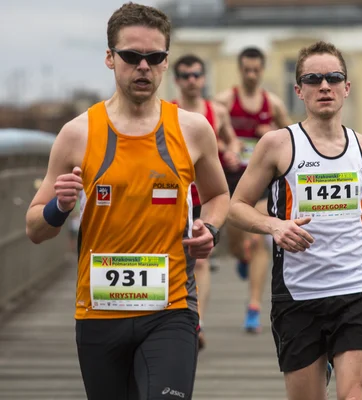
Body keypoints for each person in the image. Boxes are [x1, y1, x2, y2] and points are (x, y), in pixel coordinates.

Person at [24, 3, 229, 400]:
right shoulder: (77, 133)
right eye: (131, 56)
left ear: (166, 61)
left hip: (172, 308)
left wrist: (211, 228)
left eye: (154, 58)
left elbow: (219, 195)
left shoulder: (192, 129)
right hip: (99, 311)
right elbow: (34, 229)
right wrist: (59, 207)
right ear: (109, 58)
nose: (143, 67)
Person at [228, 41, 362, 400]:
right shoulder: (278, 144)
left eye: (333, 77)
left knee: (354, 395)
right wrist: (275, 226)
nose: (324, 86)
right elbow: (237, 206)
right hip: (299, 294)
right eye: (313, 79)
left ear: (347, 87)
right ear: (298, 90)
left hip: (355, 289)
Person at [215, 46, 292, 333]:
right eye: (246, 69)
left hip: (261, 182)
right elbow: (205, 133)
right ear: (240, 69)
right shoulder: (224, 102)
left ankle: (254, 307)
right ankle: (240, 257)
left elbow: (294, 138)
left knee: (259, 238)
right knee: (238, 243)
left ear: (262, 69)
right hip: (232, 180)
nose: (251, 74)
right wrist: (226, 147)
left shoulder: (272, 104)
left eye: (256, 69)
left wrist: (271, 131)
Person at [172, 53, 242, 350]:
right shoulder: (167, 111)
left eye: (197, 74)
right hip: (173, 199)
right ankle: (172, 315)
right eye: (185, 75)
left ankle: (195, 322)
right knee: (175, 261)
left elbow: (233, 139)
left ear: (204, 78)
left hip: (206, 198)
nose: (192, 80)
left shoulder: (217, 111)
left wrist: (232, 151)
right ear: (176, 80)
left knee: (201, 260)